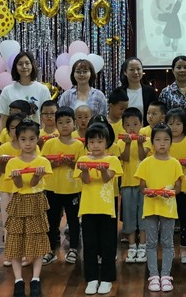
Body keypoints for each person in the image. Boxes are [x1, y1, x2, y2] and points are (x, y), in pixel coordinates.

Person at [74, 123, 123, 295]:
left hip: (107, 209)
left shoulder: (112, 160)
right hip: (88, 208)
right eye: (92, 141)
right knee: (89, 245)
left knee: (108, 244)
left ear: (107, 143)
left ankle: (107, 279)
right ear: (87, 143)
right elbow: (86, 180)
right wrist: (85, 171)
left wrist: (103, 171)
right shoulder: (82, 160)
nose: (95, 145)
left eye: (100, 141)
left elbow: (107, 179)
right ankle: (92, 278)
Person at [5, 119, 52, 297]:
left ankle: (35, 279)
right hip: (19, 201)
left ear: (37, 139)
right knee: (15, 240)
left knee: (38, 239)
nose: (27, 143)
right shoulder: (12, 163)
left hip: (37, 201)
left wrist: (37, 177)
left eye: (32, 139)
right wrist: (17, 178)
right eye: (23, 139)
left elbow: (33, 184)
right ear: (17, 140)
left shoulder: (42, 161)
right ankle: (18, 280)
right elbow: (18, 186)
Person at [135, 123, 184, 293]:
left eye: (166, 140)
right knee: (151, 242)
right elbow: (142, 187)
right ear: (152, 142)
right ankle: (153, 275)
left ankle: (166, 275)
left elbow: (178, 187)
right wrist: (148, 192)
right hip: (151, 207)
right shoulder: (146, 163)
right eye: (158, 140)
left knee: (167, 242)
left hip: (168, 208)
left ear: (171, 142)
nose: (162, 143)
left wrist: (170, 193)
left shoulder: (175, 163)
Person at [41, 106, 87, 265]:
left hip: (73, 189)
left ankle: (73, 248)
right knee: (51, 220)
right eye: (60, 122)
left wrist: (71, 163)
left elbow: (82, 166)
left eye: (68, 122)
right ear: (56, 124)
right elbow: (43, 164)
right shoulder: (49, 143)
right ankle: (50, 250)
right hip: (52, 188)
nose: (64, 125)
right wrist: (54, 163)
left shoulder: (79, 145)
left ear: (74, 123)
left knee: (73, 220)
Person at [164, 108, 186, 264]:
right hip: (167, 186)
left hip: (184, 186)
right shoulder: (164, 142)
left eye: (178, 123)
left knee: (184, 217)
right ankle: (169, 249)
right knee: (168, 219)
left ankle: (184, 248)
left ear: (185, 125)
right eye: (171, 123)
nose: (174, 127)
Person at [119, 108, 150, 263]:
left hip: (143, 184)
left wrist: (139, 144)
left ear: (141, 124)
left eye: (135, 124)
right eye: (128, 125)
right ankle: (132, 245)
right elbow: (124, 158)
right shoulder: (120, 142)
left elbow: (143, 157)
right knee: (129, 215)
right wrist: (127, 144)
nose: (132, 128)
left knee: (143, 215)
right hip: (127, 183)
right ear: (123, 126)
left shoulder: (146, 140)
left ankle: (143, 245)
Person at [0, 52, 51, 136]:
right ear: (15, 67)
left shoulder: (43, 89)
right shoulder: (7, 90)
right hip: (13, 138)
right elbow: (3, 119)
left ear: (32, 65)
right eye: (20, 64)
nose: (24, 66)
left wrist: (43, 138)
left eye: (27, 63)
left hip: (35, 137)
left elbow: (46, 118)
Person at [0, 113, 26, 267]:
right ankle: (10, 253)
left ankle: (25, 253)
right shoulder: (3, 148)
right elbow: (2, 171)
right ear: (8, 130)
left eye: (19, 127)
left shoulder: (29, 147)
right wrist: (3, 162)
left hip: (24, 189)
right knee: (8, 222)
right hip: (7, 188)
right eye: (12, 128)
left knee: (24, 222)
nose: (16, 130)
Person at [118, 57, 158, 125]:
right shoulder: (119, 92)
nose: (136, 72)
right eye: (132, 69)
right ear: (125, 72)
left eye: (138, 69)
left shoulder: (150, 92)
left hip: (145, 130)